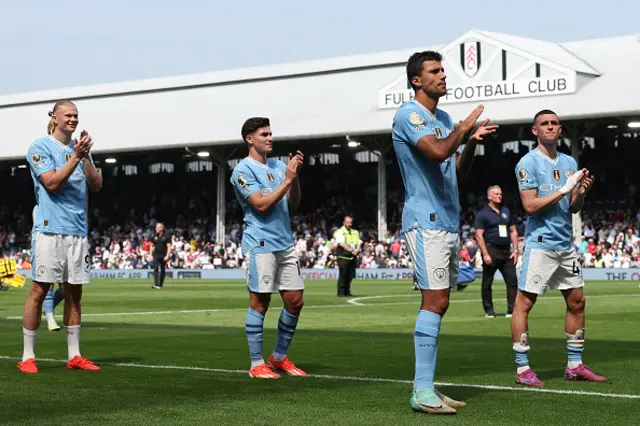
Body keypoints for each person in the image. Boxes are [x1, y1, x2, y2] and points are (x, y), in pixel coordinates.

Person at [392, 51, 497, 414]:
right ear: (417, 80)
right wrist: (463, 129)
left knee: (441, 301)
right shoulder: (409, 114)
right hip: (425, 219)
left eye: (443, 70)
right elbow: (437, 152)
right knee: (434, 301)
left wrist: (469, 141)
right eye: (434, 71)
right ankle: (421, 391)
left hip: (447, 220)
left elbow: (456, 170)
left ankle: (428, 387)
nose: (443, 76)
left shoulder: (445, 119)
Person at [511, 109, 605, 387]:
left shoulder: (569, 162)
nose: (550, 127)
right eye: (544, 124)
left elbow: (573, 207)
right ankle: (522, 369)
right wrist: (565, 189)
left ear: (560, 129)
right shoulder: (527, 163)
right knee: (524, 304)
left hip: (565, 245)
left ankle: (575, 365)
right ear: (535, 131)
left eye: (554, 123)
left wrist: (579, 194)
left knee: (577, 302)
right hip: (540, 245)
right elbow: (530, 206)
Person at [18, 100, 103, 374]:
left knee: (73, 294)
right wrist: (77, 157)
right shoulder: (40, 147)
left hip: (77, 231)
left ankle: (75, 355)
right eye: (68, 115)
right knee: (40, 290)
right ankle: (28, 356)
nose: (74, 119)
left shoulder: (79, 150)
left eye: (76, 116)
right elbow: (51, 183)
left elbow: (97, 184)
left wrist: (85, 156)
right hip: (49, 229)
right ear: (54, 117)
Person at [230, 117, 306, 379]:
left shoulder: (278, 165)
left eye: (271, 133)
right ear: (249, 139)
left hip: (284, 242)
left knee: (295, 301)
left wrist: (293, 180)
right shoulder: (242, 170)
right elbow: (260, 205)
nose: (270, 138)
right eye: (264, 134)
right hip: (260, 244)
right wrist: (286, 180)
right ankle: (256, 363)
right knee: (260, 302)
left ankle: (279, 357)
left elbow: (293, 204)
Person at [474, 185, 519, 318]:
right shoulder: (483, 214)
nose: (499, 196)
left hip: (506, 251)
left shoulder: (506, 211)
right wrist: (485, 253)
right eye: (496, 194)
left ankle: (512, 310)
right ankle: (489, 310)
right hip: (491, 249)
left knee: (512, 282)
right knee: (487, 283)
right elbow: (478, 235)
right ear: (489, 196)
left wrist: (515, 250)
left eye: (500, 194)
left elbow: (513, 231)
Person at [334, 216, 362, 297]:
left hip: (352, 256)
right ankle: (341, 292)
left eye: (350, 222)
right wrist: (352, 250)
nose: (349, 224)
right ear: (344, 222)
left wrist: (357, 250)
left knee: (350, 275)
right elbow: (341, 243)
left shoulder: (355, 232)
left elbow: (359, 242)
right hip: (343, 256)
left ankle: (347, 291)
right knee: (343, 274)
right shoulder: (340, 231)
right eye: (347, 222)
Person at [151, 223, 171, 289]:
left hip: (163, 255)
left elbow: (169, 246)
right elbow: (152, 245)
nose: (156, 229)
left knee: (162, 269)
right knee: (155, 268)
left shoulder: (167, 235)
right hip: (156, 255)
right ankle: (156, 284)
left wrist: (167, 255)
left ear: (161, 228)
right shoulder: (154, 235)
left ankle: (160, 284)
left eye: (157, 227)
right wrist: (150, 254)